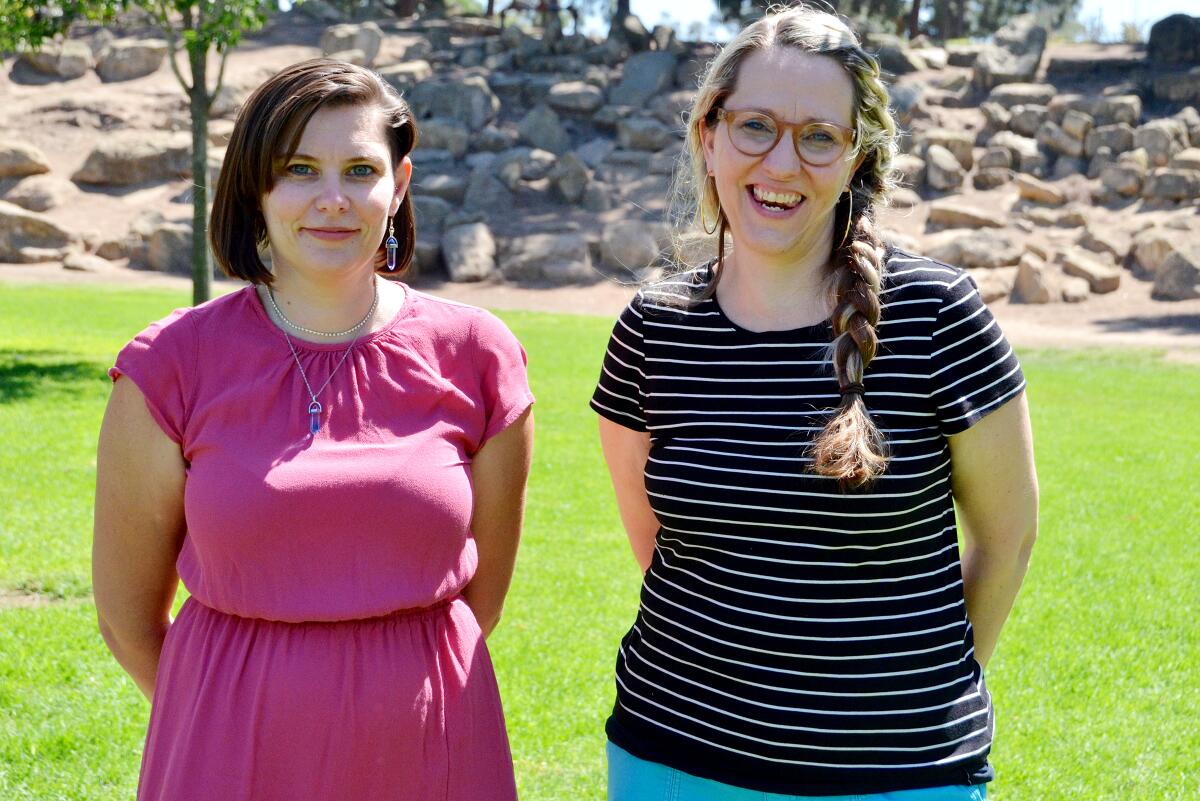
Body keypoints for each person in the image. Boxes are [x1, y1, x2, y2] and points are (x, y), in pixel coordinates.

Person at [591, 7, 1038, 801]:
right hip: (672, 758)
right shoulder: (652, 329)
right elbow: (659, 547)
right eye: (754, 125)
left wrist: (911, 696)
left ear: (856, 153)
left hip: (901, 773)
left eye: (818, 136)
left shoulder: (939, 317)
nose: (781, 161)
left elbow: (1007, 539)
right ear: (708, 135)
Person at [92, 58, 534, 801]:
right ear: (256, 189)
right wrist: (220, 714)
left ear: (399, 186)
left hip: (432, 745)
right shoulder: (169, 365)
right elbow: (128, 618)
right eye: (299, 168)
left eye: (360, 169)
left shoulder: (477, 354)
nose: (333, 199)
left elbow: (481, 600)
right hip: (227, 755)